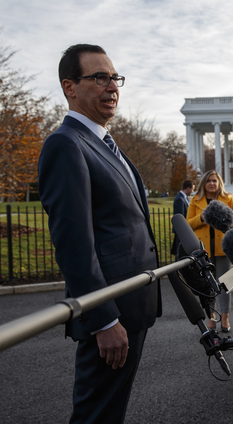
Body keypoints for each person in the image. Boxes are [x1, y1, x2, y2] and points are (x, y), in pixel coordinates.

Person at [38, 44, 161, 424]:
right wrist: (105, 320)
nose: (112, 86)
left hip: (132, 306)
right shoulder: (66, 144)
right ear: (70, 87)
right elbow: (74, 244)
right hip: (110, 315)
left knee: (110, 413)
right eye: (99, 77)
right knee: (96, 415)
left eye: (115, 77)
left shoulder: (106, 143)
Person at [186, 171, 233, 332]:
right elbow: (188, 224)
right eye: (208, 181)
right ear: (203, 184)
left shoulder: (229, 199)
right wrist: (202, 217)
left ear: (219, 182)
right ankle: (211, 317)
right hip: (204, 250)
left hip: (223, 248)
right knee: (207, 286)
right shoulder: (195, 200)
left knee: (225, 285)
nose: (212, 184)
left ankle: (225, 318)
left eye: (214, 181)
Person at [171, 179, 195, 258]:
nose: (192, 191)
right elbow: (180, 217)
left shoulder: (183, 198)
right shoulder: (179, 199)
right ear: (188, 188)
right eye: (192, 189)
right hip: (181, 230)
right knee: (179, 252)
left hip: (182, 230)